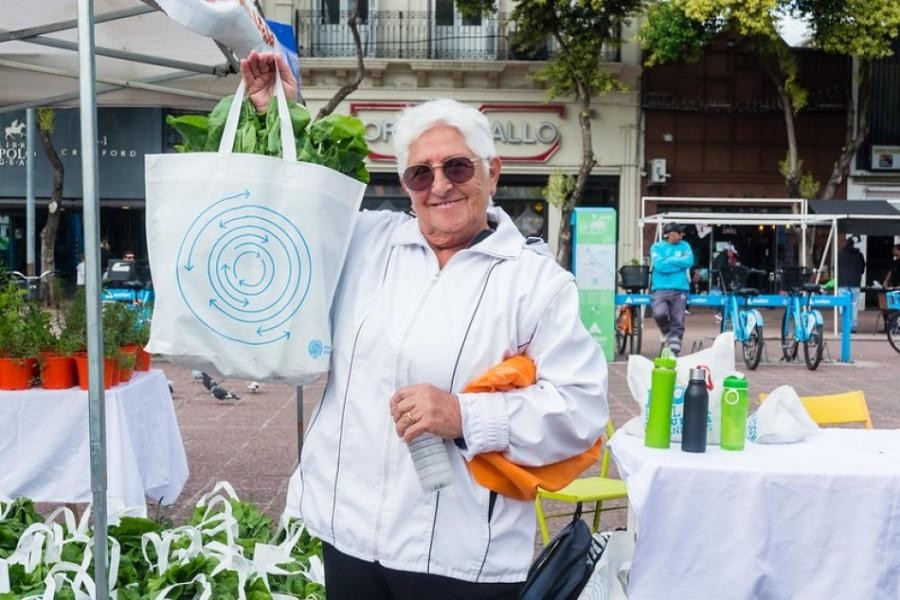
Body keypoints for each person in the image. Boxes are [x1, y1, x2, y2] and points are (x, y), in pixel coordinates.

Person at [241, 52, 609, 598]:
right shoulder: (366, 241)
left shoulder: (536, 282)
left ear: (492, 171)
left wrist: (464, 415)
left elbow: (581, 411)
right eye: (420, 174)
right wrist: (278, 112)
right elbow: (295, 202)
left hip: (460, 552)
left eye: (457, 167)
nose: (439, 186)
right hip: (347, 529)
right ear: (406, 185)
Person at [650, 223, 694, 355]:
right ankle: (667, 332)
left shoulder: (685, 245)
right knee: (659, 313)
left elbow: (689, 262)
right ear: (670, 234)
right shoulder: (656, 247)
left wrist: (668, 260)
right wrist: (678, 264)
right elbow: (659, 266)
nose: (682, 235)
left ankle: (674, 348)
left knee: (678, 318)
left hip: (680, 288)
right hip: (660, 288)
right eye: (679, 233)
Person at [837, 235, 866, 333]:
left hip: (842, 282)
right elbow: (862, 269)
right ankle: (852, 326)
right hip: (855, 282)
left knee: (843, 304)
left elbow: (834, 268)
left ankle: (845, 325)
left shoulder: (840, 254)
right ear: (854, 244)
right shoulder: (859, 255)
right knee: (854, 304)